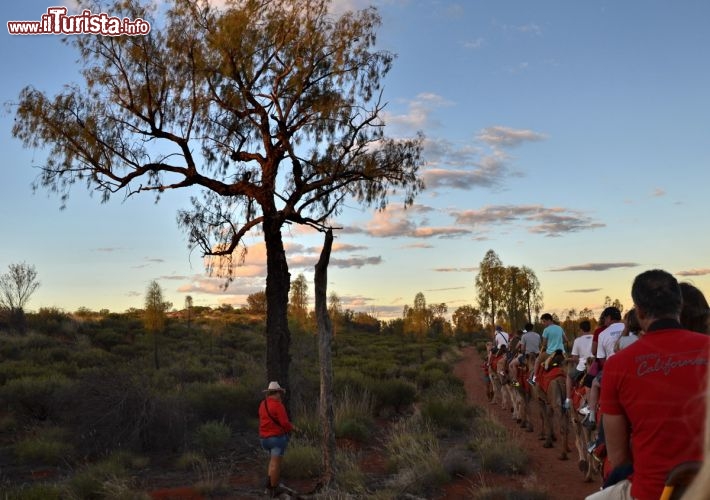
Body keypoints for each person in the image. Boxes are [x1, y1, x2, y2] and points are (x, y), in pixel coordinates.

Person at [585, 269, 710, 500]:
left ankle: (588, 414)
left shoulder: (618, 363)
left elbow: (619, 457)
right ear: (678, 307)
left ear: (639, 312)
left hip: (652, 492)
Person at [259, 381, 298, 497]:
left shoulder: (263, 404)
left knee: (272, 463)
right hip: (276, 439)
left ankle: (268, 487)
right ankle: (273, 490)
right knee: (276, 464)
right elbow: (285, 423)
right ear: (276, 393)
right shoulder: (278, 405)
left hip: (264, 439)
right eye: (279, 393)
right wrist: (295, 429)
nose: (280, 395)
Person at [530, 313, 567, 385]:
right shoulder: (559, 328)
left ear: (549, 320)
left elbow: (544, 344)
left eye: (544, 321)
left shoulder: (546, 330)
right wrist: (558, 342)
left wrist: (549, 345)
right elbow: (566, 340)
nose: (543, 323)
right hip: (562, 352)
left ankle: (534, 379)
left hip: (550, 353)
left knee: (537, 360)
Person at [565, 319, 594, 409]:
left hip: (583, 367)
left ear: (581, 330)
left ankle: (568, 399)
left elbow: (575, 358)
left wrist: (570, 359)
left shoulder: (578, 340)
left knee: (569, 376)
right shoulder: (595, 337)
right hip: (595, 365)